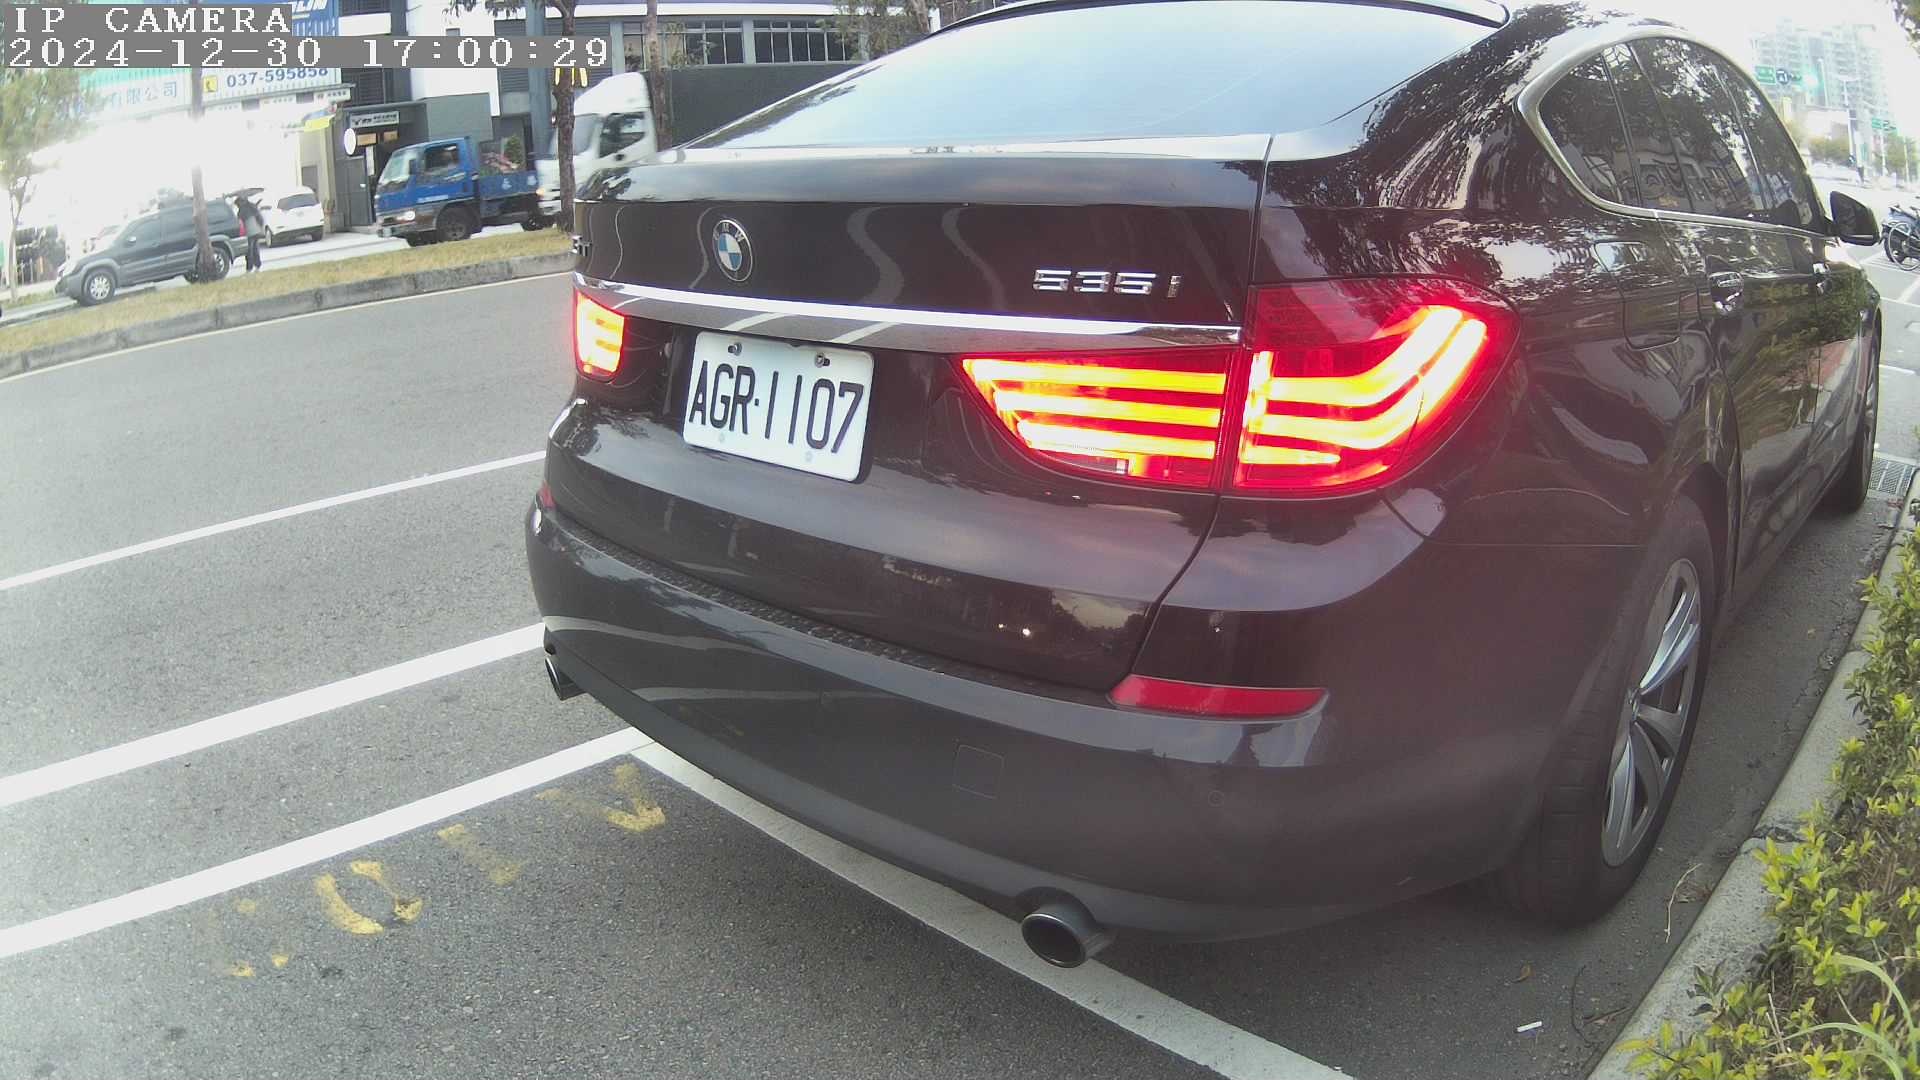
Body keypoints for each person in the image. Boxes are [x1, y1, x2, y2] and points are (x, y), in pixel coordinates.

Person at [233, 192, 265, 273]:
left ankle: (249, 268)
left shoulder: (242, 210)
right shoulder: (252, 207)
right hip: (257, 231)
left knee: (249, 251)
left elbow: (240, 222)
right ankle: (257, 266)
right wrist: (261, 228)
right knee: (255, 249)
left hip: (249, 233)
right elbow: (260, 218)